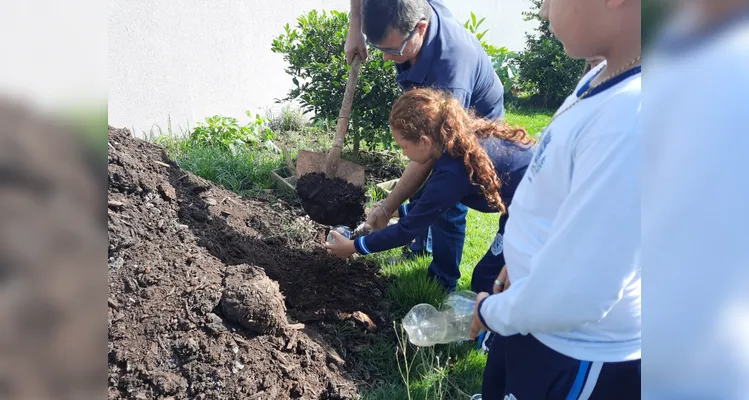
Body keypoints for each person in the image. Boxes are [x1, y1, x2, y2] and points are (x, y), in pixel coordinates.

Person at [467, 0, 642, 397]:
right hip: (534, 317)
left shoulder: (631, 117)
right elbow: (562, 194)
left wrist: (489, 312)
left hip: (575, 350)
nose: (543, 11)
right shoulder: (601, 78)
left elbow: (578, 292)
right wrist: (521, 261)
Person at [345, 0, 506, 292]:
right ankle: (419, 247)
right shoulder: (408, 10)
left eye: (392, 50)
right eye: (379, 47)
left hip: (475, 120)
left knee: (447, 202)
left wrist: (386, 208)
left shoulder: (452, 73)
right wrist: (355, 28)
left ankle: (442, 279)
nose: (384, 59)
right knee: (429, 192)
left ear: (421, 27)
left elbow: (427, 160)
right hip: (438, 118)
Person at [325, 88, 534, 297]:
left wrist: (353, 247)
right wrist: (391, 212)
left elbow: (406, 231)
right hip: (527, 200)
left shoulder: (453, 170)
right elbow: (432, 204)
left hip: (540, 208)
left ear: (424, 141)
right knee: (488, 276)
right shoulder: (454, 146)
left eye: (403, 146)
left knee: (490, 280)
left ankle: (502, 323)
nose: (403, 153)